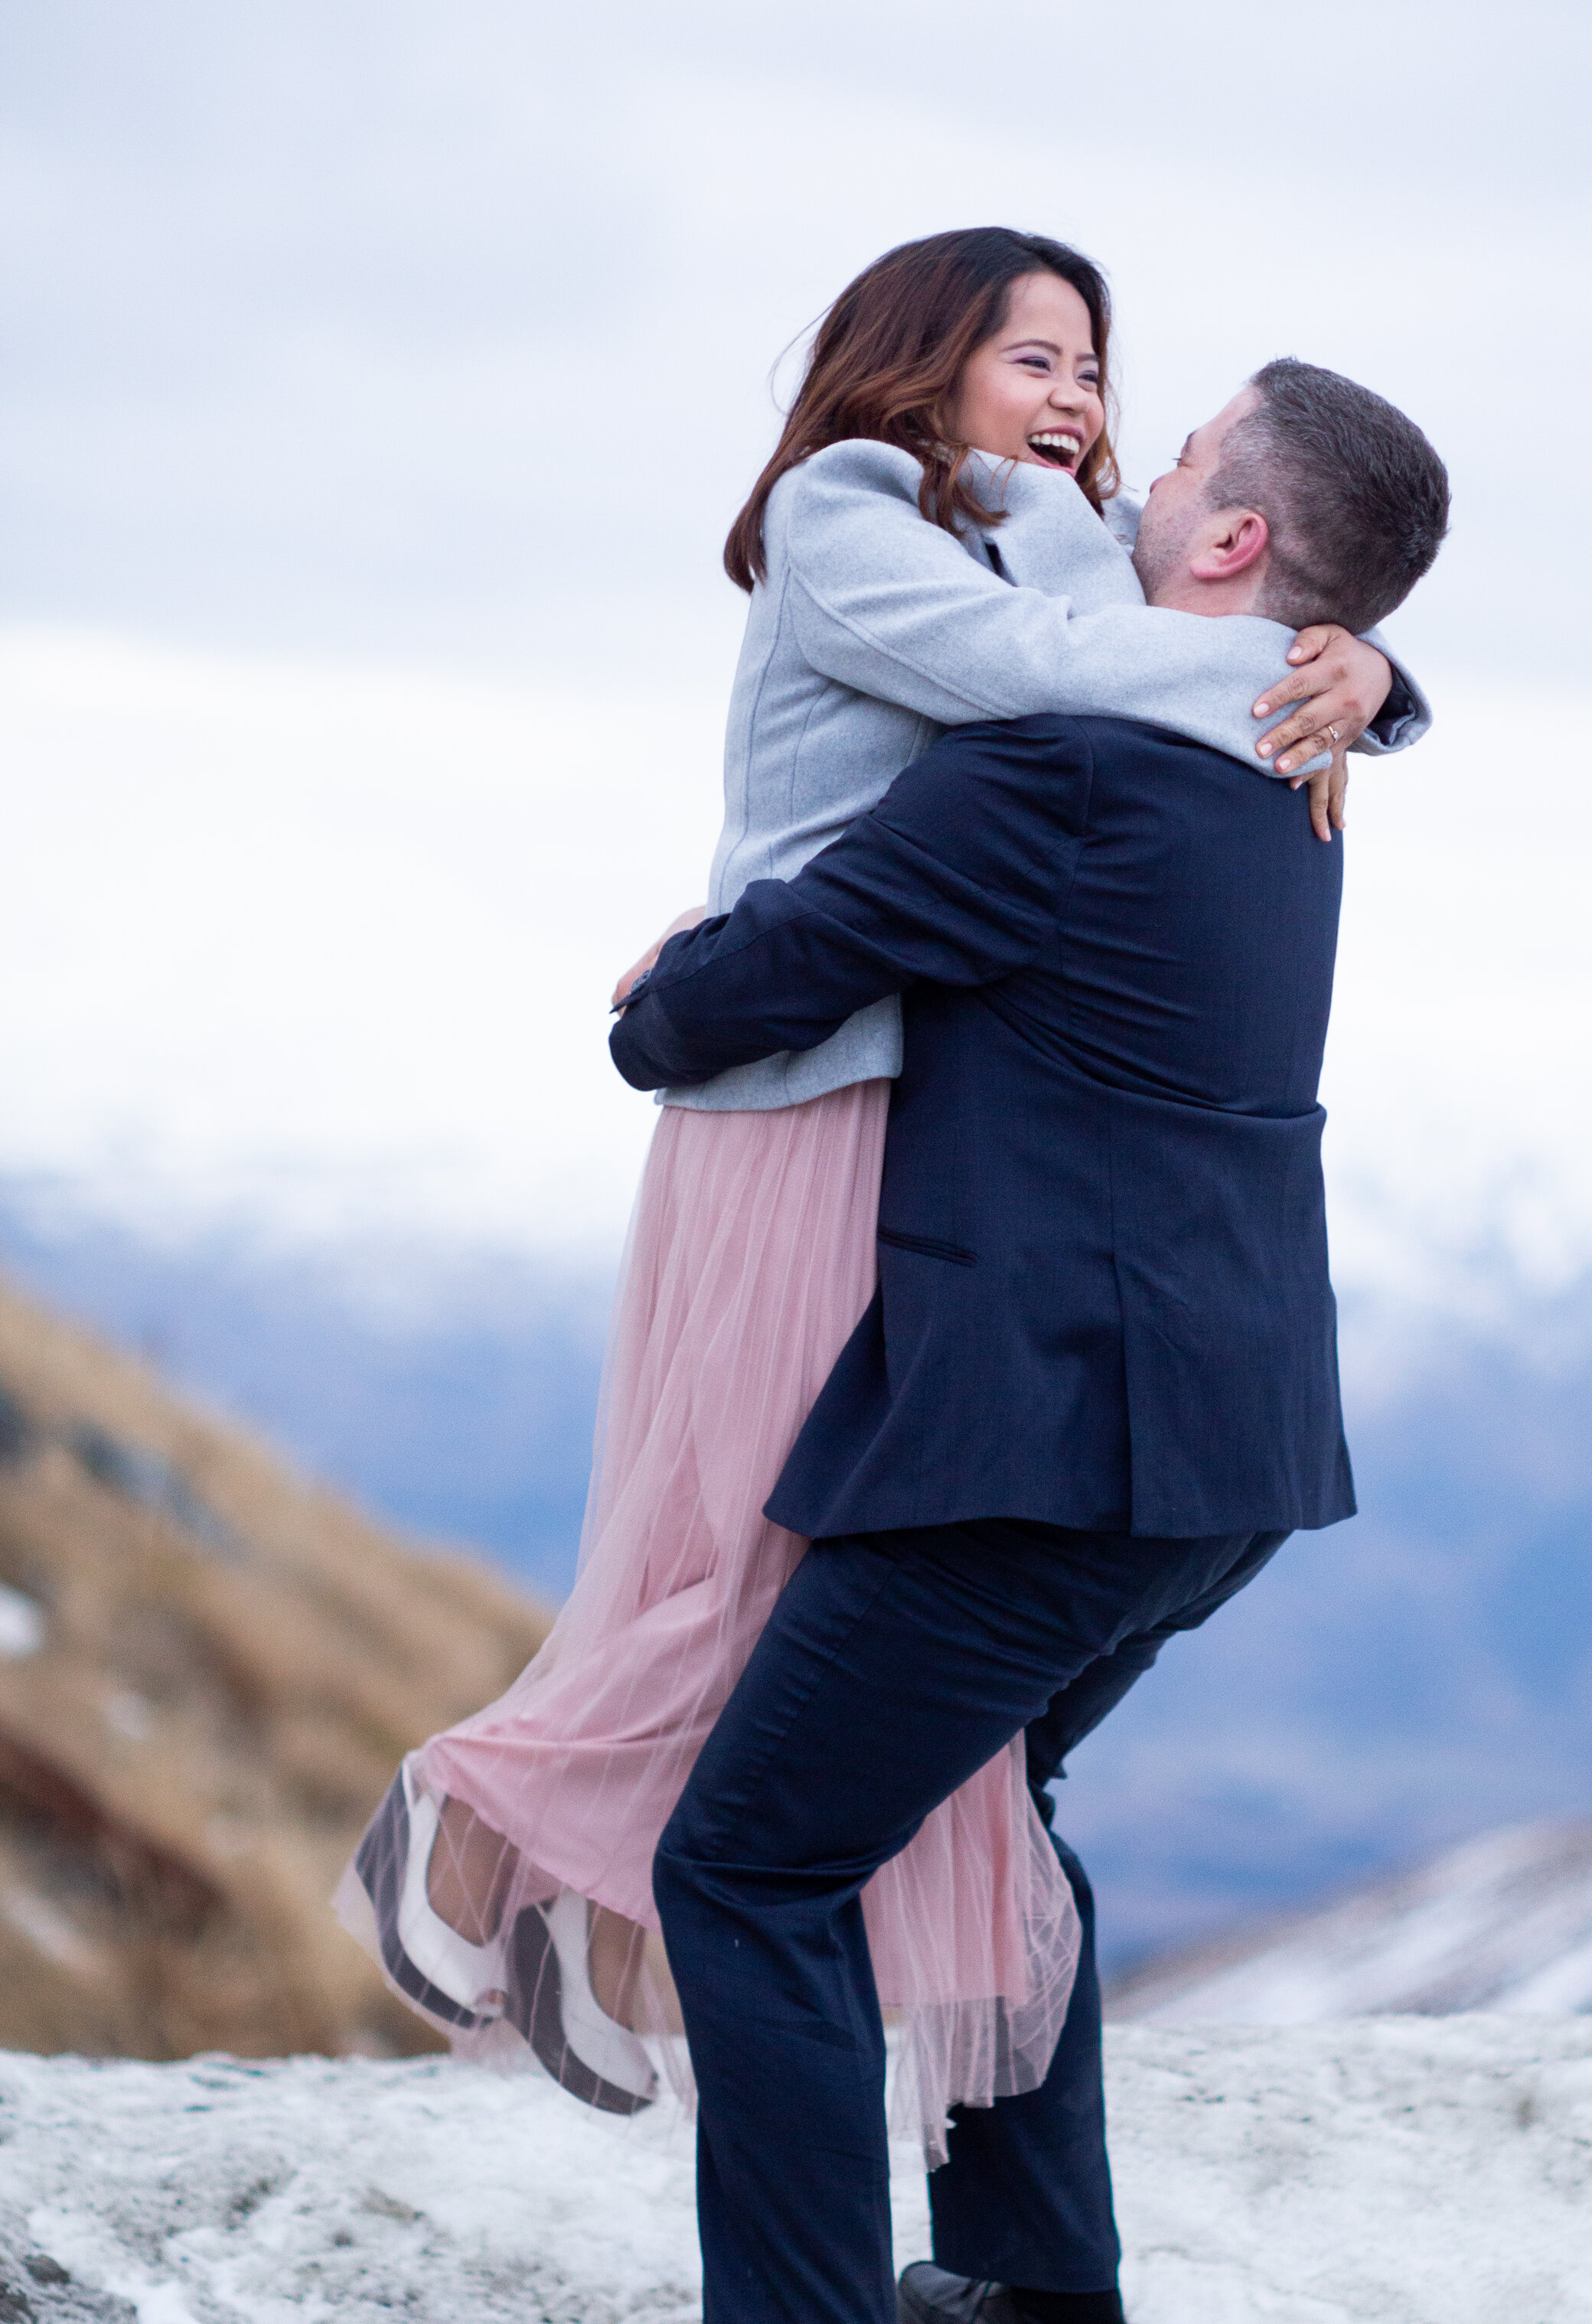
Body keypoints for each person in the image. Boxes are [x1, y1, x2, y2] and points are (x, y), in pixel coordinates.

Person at [336, 232, 1427, 2146]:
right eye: (1044, 361)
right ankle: (536, 1826)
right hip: (797, 1082)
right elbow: (1032, 677)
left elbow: (1136, 630)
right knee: (738, 1559)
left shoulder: (1097, 598)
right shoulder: (869, 517)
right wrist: (1325, 668)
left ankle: (648, 1930)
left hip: (909, 1133)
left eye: (1116, 383)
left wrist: (1369, 665)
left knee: (847, 1699)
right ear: (921, 363)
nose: (1097, 418)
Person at [610, 355, 1450, 2324]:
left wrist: (658, 988)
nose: (1135, 469)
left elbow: (755, 989)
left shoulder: (1066, 766)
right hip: (1222, 1456)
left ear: (1229, 539)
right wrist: (1388, 691)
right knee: (995, 1810)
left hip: (1046, 1448)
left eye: (1172, 460)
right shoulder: (1286, 768)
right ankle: (1040, 2289)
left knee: (750, 1868)